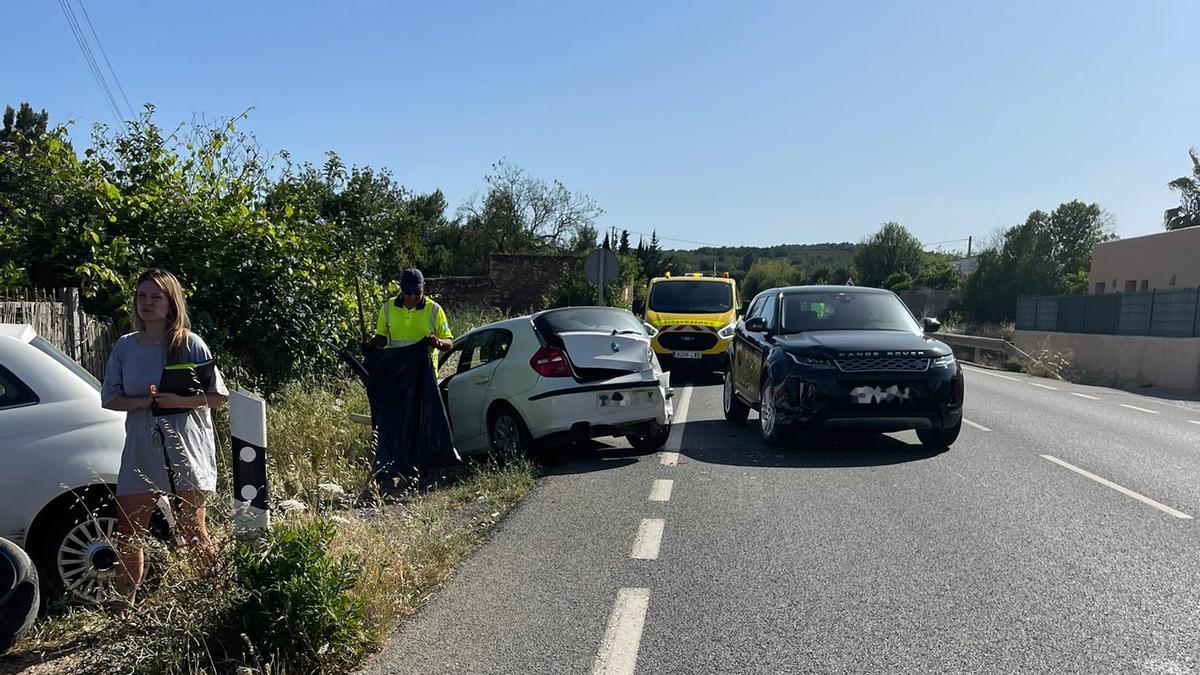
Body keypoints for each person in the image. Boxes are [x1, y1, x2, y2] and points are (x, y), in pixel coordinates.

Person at [101, 269, 229, 607]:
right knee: (128, 533)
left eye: (155, 297)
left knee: (192, 530)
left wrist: (180, 402)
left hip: (184, 447)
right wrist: (146, 401)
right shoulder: (125, 346)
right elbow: (110, 398)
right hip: (141, 448)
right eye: (142, 296)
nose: (147, 303)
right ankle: (123, 609)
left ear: (171, 302)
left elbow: (218, 396)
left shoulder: (188, 343)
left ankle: (216, 600)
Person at [367, 267, 453, 368]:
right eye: (408, 293)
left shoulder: (435, 309)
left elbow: (449, 344)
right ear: (402, 290)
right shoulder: (387, 308)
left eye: (417, 293)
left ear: (423, 288)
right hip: (397, 372)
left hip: (424, 375)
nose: (413, 297)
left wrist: (439, 343)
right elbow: (382, 338)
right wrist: (370, 345)